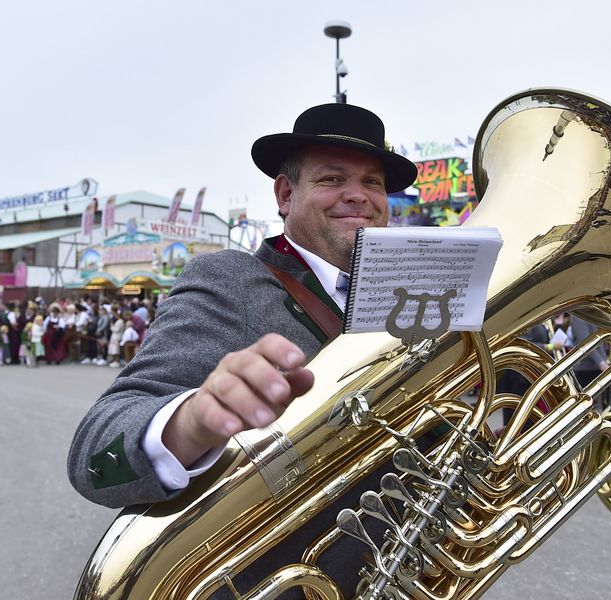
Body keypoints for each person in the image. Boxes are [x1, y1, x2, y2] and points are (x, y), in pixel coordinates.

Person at [68, 102, 418, 599]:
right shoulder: (230, 279)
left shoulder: (412, 290)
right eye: (332, 179)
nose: (358, 196)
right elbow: (93, 454)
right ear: (286, 194)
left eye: (373, 182)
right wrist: (192, 422)